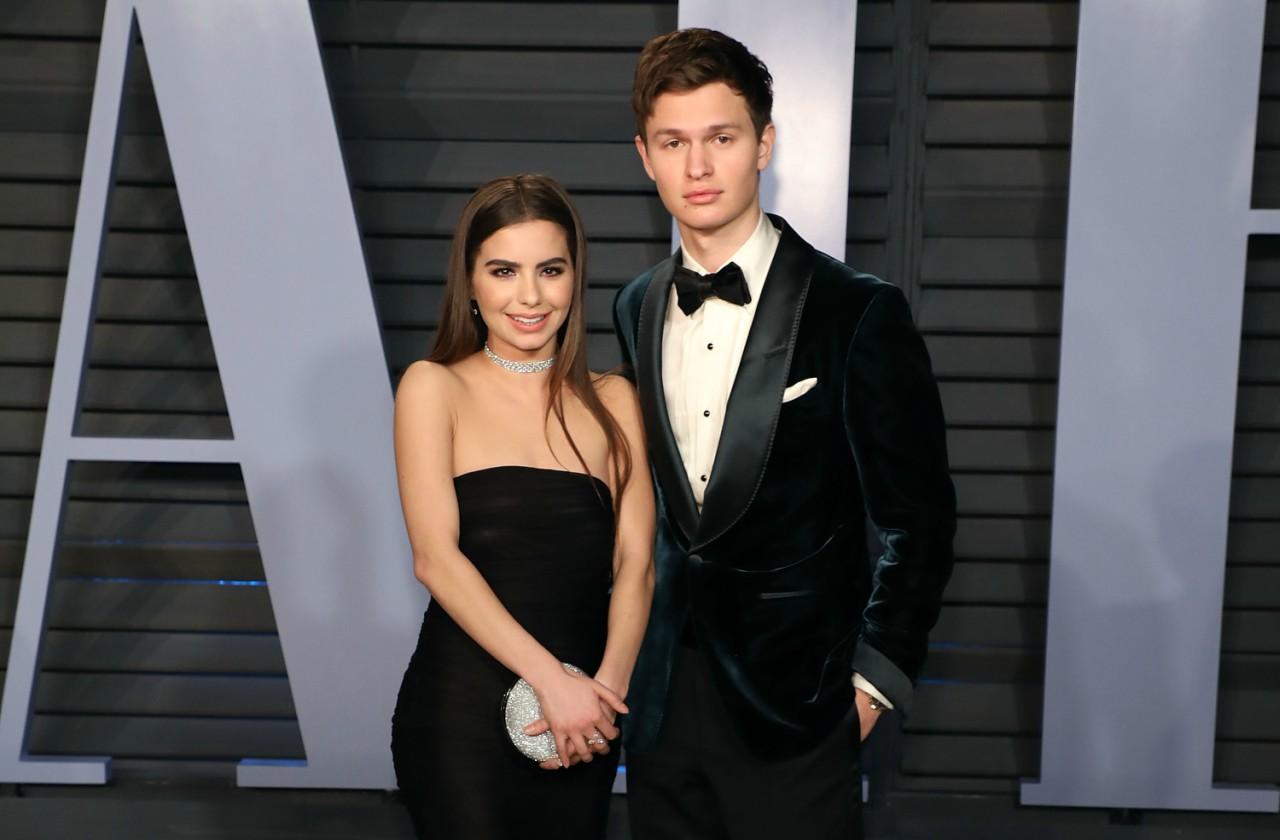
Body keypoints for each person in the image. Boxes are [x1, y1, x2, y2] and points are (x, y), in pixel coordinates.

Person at [613, 29, 957, 839]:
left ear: (762, 143)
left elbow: (920, 519)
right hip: (663, 706)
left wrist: (872, 686)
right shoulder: (634, 305)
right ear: (645, 156)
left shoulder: (858, 311)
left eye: (721, 138)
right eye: (674, 142)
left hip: (801, 710)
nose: (697, 167)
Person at [390, 174, 655, 839]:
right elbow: (434, 559)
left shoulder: (615, 399)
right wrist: (554, 684)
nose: (529, 296)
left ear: (575, 279)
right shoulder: (433, 387)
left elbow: (637, 562)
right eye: (504, 270)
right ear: (471, 283)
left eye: (550, 270)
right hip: (463, 715)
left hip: (587, 721)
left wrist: (603, 698)